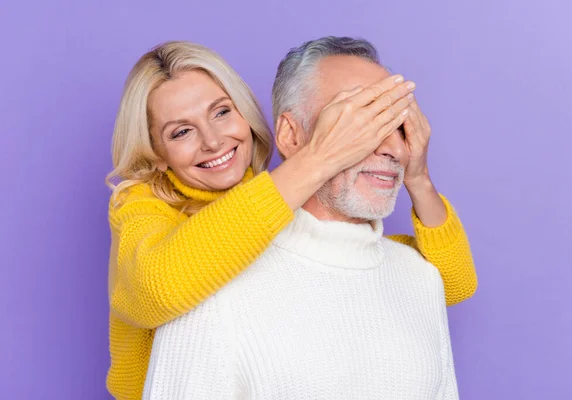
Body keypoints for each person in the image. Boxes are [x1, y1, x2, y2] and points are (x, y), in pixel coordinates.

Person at [107, 40, 476, 399]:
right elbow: (157, 285)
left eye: (222, 112)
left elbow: (440, 280)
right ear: (154, 154)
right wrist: (322, 156)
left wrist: (418, 177)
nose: (214, 141)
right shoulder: (141, 204)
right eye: (181, 131)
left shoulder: (266, 198)